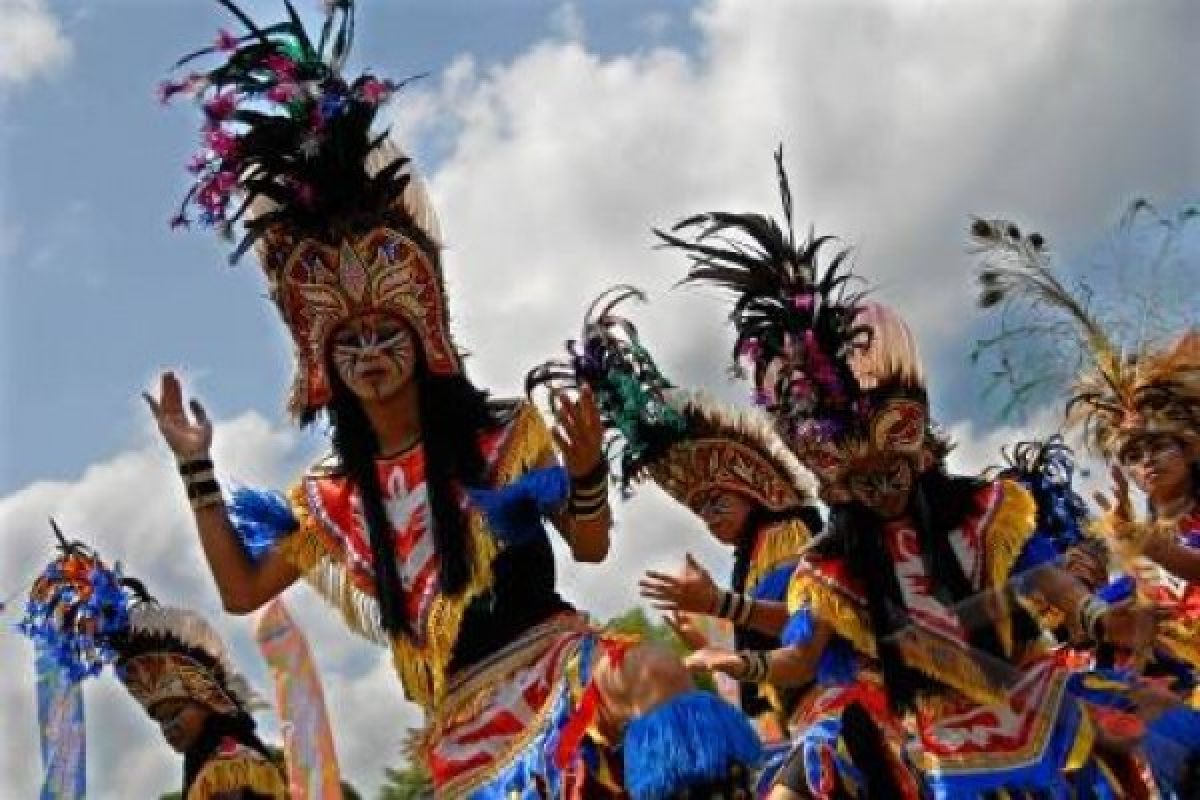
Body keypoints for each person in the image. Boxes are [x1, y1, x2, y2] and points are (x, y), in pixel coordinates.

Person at [147, 3, 759, 797]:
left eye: (386, 335)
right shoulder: (332, 499)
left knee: (654, 676)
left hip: (557, 664)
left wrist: (581, 471)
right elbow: (241, 591)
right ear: (324, 361)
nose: (370, 356)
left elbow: (592, 546)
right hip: (461, 727)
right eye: (351, 343)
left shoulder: (503, 434)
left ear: (423, 336)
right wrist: (196, 469)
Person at [660, 150, 1200, 797]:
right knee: (815, 769)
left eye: (892, 470)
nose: (883, 488)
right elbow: (803, 655)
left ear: (916, 453)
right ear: (838, 487)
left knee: (1144, 741)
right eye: (864, 481)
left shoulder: (989, 510)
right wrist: (739, 659)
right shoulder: (828, 568)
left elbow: (1050, 582)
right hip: (928, 731)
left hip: (1034, 699)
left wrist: (1093, 618)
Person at [528, 285, 823, 734]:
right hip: (803, 719)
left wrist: (719, 604)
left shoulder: (787, 535)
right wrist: (705, 638)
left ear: (753, 487)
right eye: (700, 510)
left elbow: (806, 624)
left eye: (717, 501)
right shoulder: (756, 551)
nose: (710, 516)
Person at [22, 526, 286, 800]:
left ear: (210, 701)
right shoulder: (214, 762)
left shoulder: (227, 764)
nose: (169, 729)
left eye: (175, 713)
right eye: (161, 720)